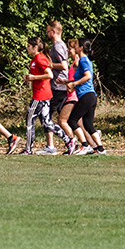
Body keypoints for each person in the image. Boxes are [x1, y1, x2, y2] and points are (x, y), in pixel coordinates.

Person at [24, 37, 69, 155]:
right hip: (43, 95)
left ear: (35, 47)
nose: (27, 48)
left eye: (29, 46)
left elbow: (49, 75)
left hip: (40, 96)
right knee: (47, 122)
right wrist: (30, 78)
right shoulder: (35, 59)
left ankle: (28, 149)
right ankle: (69, 140)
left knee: (29, 121)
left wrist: (34, 78)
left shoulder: (40, 58)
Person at [66, 38, 106, 154]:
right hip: (90, 96)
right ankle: (100, 149)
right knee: (88, 125)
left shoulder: (83, 60)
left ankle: (84, 145)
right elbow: (79, 78)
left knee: (72, 120)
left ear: (81, 48)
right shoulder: (85, 60)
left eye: (77, 45)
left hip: (86, 96)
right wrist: (65, 82)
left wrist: (74, 84)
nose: (74, 46)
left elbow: (88, 76)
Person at [46, 21, 77, 154]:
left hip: (58, 87)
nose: (46, 33)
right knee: (62, 120)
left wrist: (48, 65)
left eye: (47, 31)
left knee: (46, 117)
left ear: (53, 32)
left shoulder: (58, 46)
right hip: (58, 87)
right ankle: (73, 142)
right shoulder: (57, 46)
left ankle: (51, 146)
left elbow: (64, 65)